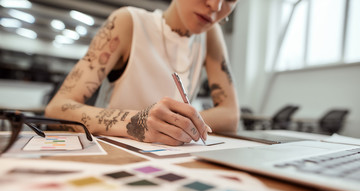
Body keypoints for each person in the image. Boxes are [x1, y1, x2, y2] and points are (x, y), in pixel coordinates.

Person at [45, 0, 240, 146]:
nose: (215, 5)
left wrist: (175, 124)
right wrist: (136, 122)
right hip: (112, 154)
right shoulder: (128, 22)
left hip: (174, 161)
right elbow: (56, 109)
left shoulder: (209, 35)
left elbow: (230, 116)